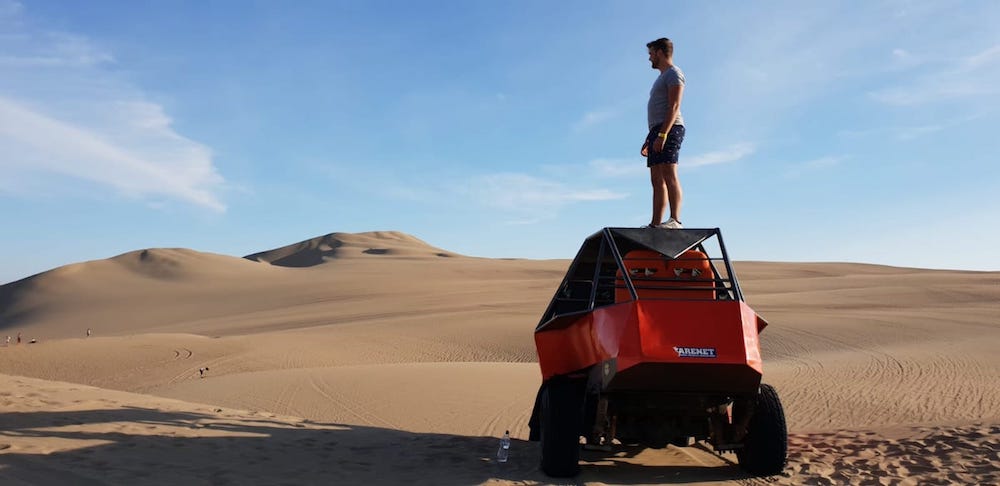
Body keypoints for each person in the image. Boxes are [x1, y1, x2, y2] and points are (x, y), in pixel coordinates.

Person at [642, 37, 686, 229]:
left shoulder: (674, 73)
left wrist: (663, 134)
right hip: (656, 130)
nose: (649, 58)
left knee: (669, 172)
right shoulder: (661, 77)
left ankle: (675, 220)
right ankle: (655, 224)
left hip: (670, 128)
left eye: (651, 53)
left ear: (660, 52)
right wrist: (651, 137)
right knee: (656, 179)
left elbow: (675, 105)